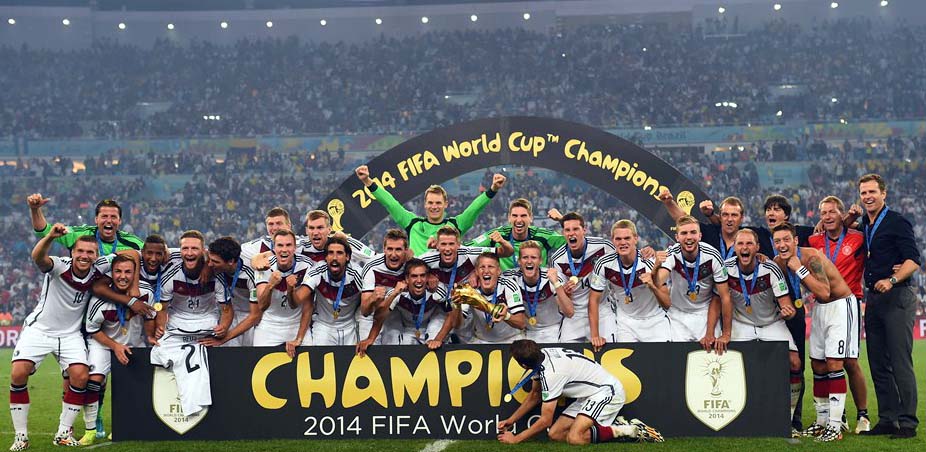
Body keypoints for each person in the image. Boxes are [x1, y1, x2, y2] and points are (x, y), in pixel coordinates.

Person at [9, 229, 107, 449]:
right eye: (80, 251)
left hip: (70, 334)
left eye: (90, 252)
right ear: (72, 252)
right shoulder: (59, 265)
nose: (84, 255)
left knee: (80, 376)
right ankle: (21, 436)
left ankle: (63, 433)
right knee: (18, 373)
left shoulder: (100, 268)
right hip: (40, 330)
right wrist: (51, 237)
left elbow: (132, 255)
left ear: (96, 254)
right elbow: (37, 257)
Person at [772, 222, 858, 442]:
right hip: (819, 309)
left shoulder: (811, 257)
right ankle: (821, 423)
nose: (782, 245)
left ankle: (836, 426)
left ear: (796, 240)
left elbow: (825, 291)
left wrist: (798, 269)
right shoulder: (778, 263)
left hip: (840, 305)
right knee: (817, 364)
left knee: (834, 364)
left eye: (786, 240)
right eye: (778, 241)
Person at [496, 339, 663, 444]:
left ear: (524, 365)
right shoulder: (543, 355)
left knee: (575, 438)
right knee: (555, 434)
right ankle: (611, 427)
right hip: (589, 394)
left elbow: (545, 420)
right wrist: (511, 420)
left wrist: (516, 439)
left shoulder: (552, 374)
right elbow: (535, 395)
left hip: (607, 392)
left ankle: (627, 430)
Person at [856, 173, 920, 439]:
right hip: (873, 299)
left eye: (872, 192)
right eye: (863, 193)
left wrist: (892, 279)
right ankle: (887, 419)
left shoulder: (896, 221)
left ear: (884, 193)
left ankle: (907, 423)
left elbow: (913, 260)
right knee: (878, 363)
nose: (868, 197)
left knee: (899, 361)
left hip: (897, 296)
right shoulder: (864, 224)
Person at [722, 228, 802, 435]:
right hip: (742, 323)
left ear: (757, 247)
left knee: (795, 362)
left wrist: (789, 312)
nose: (745, 248)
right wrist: (726, 332)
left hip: (770, 323)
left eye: (749, 244)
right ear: (735, 248)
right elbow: (720, 300)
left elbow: (787, 306)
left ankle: (789, 418)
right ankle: (735, 414)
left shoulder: (771, 269)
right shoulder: (726, 268)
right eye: (740, 244)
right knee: (730, 363)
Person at [150, 231, 233, 417]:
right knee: (158, 351)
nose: (189, 252)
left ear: (203, 251)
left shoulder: (215, 275)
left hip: (207, 323)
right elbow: (161, 308)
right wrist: (160, 327)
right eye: (185, 248)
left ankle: (223, 403)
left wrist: (224, 327)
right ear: (179, 251)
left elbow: (227, 309)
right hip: (178, 321)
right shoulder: (171, 273)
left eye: (194, 248)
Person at [807, 196, 870, 433]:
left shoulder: (858, 238)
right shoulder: (814, 240)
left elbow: (879, 242)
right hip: (821, 305)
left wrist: (853, 219)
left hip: (847, 303)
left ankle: (863, 416)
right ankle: (835, 417)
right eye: (824, 213)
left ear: (841, 214)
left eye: (833, 212)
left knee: (849, 361)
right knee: (820, 363)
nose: (828, 216)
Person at [80, 255, 156, 445]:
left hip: (134, 344)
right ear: (111, 274)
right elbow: (93, 330)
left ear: (135, 274)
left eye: (128, 272)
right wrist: (115, 346)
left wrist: (151, 338)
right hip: (104, 344)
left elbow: (150, 317)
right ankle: (90, 429)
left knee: (133, 385)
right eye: (118, 271)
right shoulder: (100, 300)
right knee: (94, 381)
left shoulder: (146, 292)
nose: (123, 276)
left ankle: (125, 425)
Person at [355, 165, 506, 255]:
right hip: (416, 283)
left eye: (438, 203)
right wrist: (368, 182)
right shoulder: (412, 223)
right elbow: (391, 204)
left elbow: (474, 209)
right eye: (431, 203)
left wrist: (493, 189)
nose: (434, 206)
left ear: (446, 204)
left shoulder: (456, 224)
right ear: (425, 205)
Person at [654, 216, 732, 352]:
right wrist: (656, 267)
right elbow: (658, 282)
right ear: (677, 237)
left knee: (709, 361)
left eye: (693, 232)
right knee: (676, 359)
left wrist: (723, 333)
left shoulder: (713, 256)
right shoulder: (671, 253)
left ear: (700, 236)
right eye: (684, 233)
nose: (689, 237)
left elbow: (723, 297)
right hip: (677, 314)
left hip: (705, 314)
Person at [589, 220, 670, 348]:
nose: (623, 243)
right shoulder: (603, 263)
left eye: (627, 238)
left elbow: (667, 303)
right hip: (625, 323)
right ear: (613, 240)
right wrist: (595, 335)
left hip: (655, 322)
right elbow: (594, 299)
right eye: (618, 239)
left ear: (636, 239)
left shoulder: (650, 262)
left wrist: (653, 286)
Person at [357, 258, 454, 353]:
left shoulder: (437, 289)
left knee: (434, 345)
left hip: (431, 325)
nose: (419, 280)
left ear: (428, 277)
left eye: (422, 276)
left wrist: (438, 339)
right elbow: (379, 317)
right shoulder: (398, 291)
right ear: (407, 279)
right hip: (407, 328)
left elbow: (451, 315)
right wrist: (370, 339)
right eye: (414, 276)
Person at [549, 212, 616, 343]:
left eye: (576, 229)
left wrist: (644, 253)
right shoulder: (557, 259)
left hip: (602, 309)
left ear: (584, 230)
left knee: (609, 350)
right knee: (566, 355)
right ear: (563, 233)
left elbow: (624, 256)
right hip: (575, 314)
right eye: (567, 230)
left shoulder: (603, 247)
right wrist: (564, 291)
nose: (571, 233)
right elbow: (563, 302)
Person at [294, 236, 364, 349]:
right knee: (321, 365)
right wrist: (290, 288)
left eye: (339, 253)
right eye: (330, 253)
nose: (334, 258)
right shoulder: (317, 271)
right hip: (323, 326)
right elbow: (297, 300)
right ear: (325, 257)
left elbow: (369, 304)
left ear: (347, 257)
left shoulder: (357, 274)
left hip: (350, 327)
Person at [501, 241, 574, 343]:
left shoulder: (552, 277)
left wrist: (556, 284)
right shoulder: (510, 277)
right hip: (525, 332)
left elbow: (569, 312)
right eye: (525, 257)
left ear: (540, 261)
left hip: (553, 330)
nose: (529, 261)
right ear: (519, 261)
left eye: (533, 257)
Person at [466, 198, 565, 271]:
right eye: (514, 216)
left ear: (531, 218)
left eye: (523, 216)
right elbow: (466, 248)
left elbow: (576, 241)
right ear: (509, 218)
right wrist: (473, 272)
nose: (519, 220)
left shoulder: (543, 236)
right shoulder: (497, 235)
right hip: (505, 292)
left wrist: (562, 220)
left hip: (536, 292)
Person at [252, 230, 313, 347]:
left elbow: (308, 307)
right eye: (280, 245)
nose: (284, 250)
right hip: (269, 326)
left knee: (310, 362)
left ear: (295, 247)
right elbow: (262, 306)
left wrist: (299, 338)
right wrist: (270, 285)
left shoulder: (307, 265)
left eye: (288, 245)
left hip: (296, 324)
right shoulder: (264, 266)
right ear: (274, 248)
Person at [201, 236, 261, 347]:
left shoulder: (252, 274)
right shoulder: (216, 266)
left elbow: (255, 315)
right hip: (229, 313)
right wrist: (205, 265)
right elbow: (202, 251)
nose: (210, 264)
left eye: (215, 261)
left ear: (231, 261)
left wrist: (224, 338)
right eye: (209, 260)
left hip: (251, 318)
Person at [29, 195, 143, 253]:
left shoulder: (133, 243)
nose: (109, 220)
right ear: (96, 219)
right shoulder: (81, 235)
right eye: (104, 216)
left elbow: (155, 255)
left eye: (113, 217)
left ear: (120, 221)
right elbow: (43, 230)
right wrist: (35, 210)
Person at [457, 253, 527, 344]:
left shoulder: (508, 286)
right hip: (482, 341)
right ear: (476, 272)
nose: (486, 271)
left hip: (511, 339)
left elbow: (521, 323)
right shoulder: (469, 289)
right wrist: (457, 306)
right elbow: (458, 325)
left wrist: (506, 316)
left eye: (490, 267)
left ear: (498, 271)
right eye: (482, 267)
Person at [359, 229, 412, 345]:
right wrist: (373, 297)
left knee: (393, 353)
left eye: (398, 249)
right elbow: (364, 311)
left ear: (406, 251)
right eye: (390, 249)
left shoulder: (410, 266)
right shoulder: (372, 266)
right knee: (369, 351)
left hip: (394, 315)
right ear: (384, 249)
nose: (393, 254)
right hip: (371, 316)